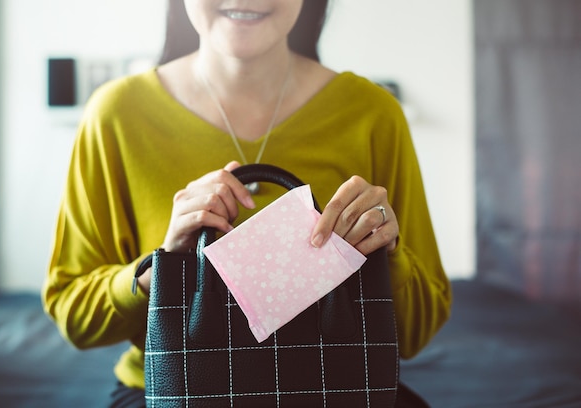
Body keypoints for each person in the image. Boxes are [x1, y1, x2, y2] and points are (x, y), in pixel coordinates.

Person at [42, 0, 452, 406]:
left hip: (339, 383)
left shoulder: (374, 114)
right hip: (176, 389)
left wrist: (387, 254)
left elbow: (416, 334)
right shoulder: (115, 115)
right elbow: (73, 316)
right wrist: (163, 265)